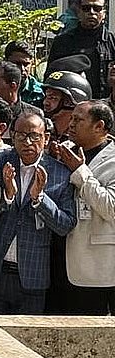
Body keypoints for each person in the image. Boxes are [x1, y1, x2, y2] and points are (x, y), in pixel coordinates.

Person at [0, 109, 75, 315]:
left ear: (46, 138)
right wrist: (7, 196)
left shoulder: (60, 173)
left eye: (34, 136)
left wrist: (40, 199)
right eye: (21, 135)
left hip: (32, 276)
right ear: (12, 135)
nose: (27, 142)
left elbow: (65, 225)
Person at [59, 100, 115, 314]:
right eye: (71, 119)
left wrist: (80, 171)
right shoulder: (65, 151)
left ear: (99, 126)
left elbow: (110, 207)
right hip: (62, 263)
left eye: (78, 120)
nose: (71, 124)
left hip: (100, 269)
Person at [48, 0, 115, 100]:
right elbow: (51, 76)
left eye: (97, 9)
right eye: (86, 8)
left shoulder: (112, 42)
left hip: (104, 105)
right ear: (79, 11)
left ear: (104, 13)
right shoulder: (62, 42)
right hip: (72, 105)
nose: (91, 12)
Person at [3, 40, 44, 105]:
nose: (22, 69)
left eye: (26, 64)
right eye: (17, 63)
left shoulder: (41, 93)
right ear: (5, 62)